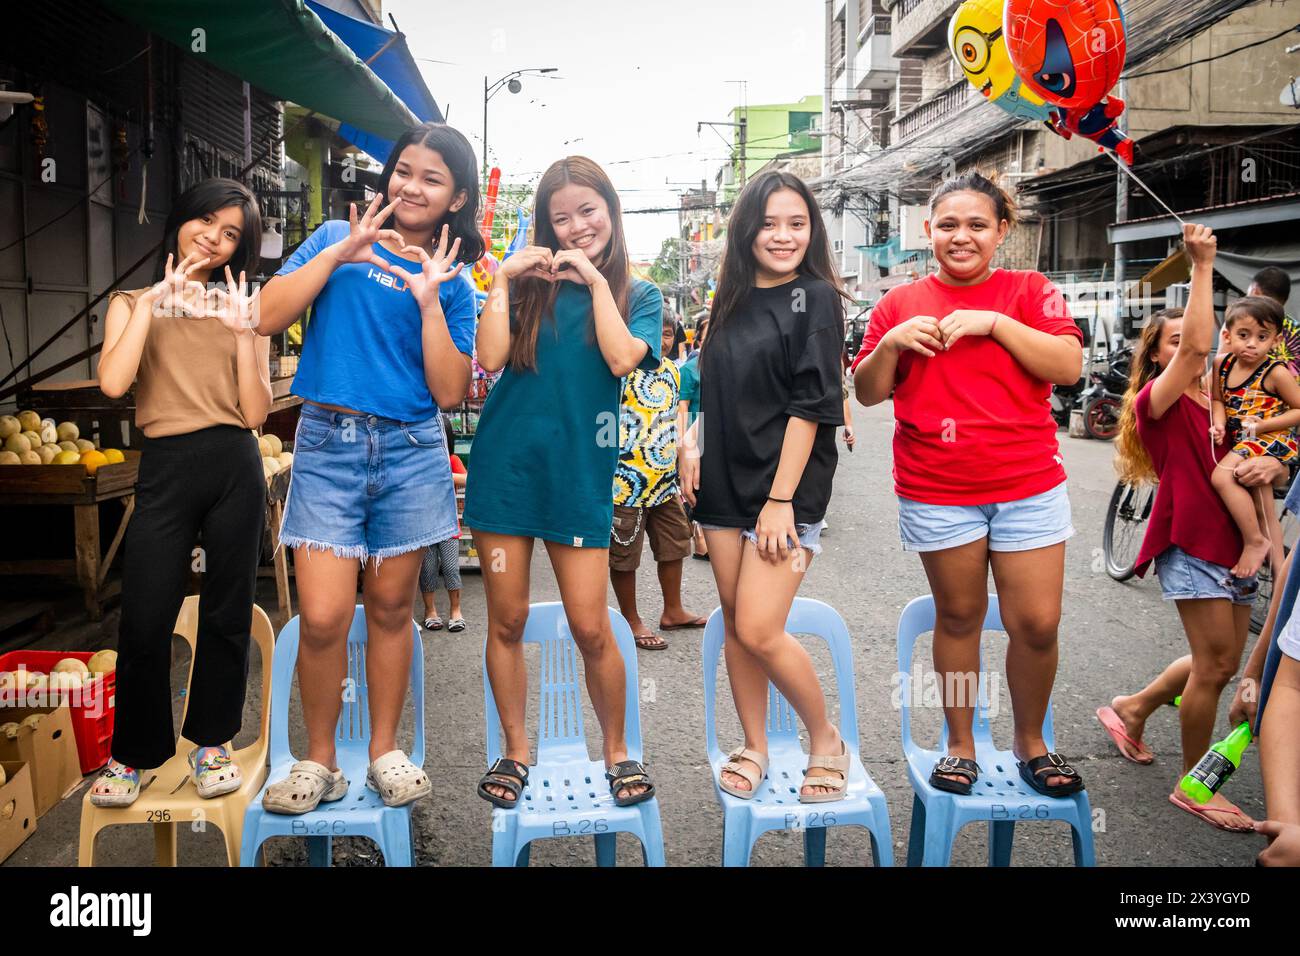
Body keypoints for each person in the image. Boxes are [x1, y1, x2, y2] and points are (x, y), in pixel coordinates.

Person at [253, 122, 481, 812]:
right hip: (328, 446)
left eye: (431, 178)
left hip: (411, 451)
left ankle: (385, 750)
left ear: (456, 198)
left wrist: (428, 299)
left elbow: (447, 391)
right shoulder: (331, 237)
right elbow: (265, 315)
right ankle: (318, 761)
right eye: (403, 169)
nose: (411, 185)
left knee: (389, 609)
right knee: (321, 616)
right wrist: (342, 254)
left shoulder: (454, 283)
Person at [852, 170, 1086, 799]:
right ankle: (960, 743)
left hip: (1029, 484)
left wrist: (993, 323)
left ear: (1002, 231)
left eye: (978, 224)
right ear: (928, 231)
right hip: (937, 488)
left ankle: (1031, 742)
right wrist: (893, 344)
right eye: (948, 225)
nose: (962, 237)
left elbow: (1068, 366)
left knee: (1036, 623)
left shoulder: (1030, 290)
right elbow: (868, 392)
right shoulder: (897, 305)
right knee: (959, 615)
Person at [464, 156, 664, 810]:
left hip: (580, 474)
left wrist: (595, 282)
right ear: (544, 226)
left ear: (611, 209)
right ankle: (516, 749)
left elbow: (618, 357)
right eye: (561, 217)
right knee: (508, 618)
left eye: (588, 210)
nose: (577, 226)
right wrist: (501, 281)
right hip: (505, 472)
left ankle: (616, 750)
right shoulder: (526, 288)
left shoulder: (641, 294)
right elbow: (489, 358)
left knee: (590, 625)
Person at [91, 178, 270, 806]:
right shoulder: (130, 300)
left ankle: (213, 741)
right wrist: (150, 306)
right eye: (207, 224)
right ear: (183, 219)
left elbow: (255, 413)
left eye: (231, 236)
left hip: (233, 465)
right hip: (165, 466)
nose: (215, 241)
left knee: (227, 609)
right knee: (144, 613)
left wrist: (246, 334)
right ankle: (132, 753)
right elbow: (114, 384)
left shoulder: (245, 304)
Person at [680, 170, 851, 802]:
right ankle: (753, 743)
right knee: (734, 623)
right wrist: (690, 440)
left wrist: (781, 501)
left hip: (787, 486)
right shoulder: (727, 299)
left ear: (812, 230)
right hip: (722, 479)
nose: (783, 236)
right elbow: (716, 387)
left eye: (797, 223)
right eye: (770, 223)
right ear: (746, 227)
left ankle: (825, 737)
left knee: (758, 627)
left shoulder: (819, 298)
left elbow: (812, 405)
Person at [1110, 223, 1287, 831]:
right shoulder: (1154, 404)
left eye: (1198, 340)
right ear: (1158, 355)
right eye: (1178, 342)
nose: (1196, 347)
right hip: (1192, 545)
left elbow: (1261, 461)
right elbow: (1193, 350)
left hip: (1236, 546)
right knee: (1214, 667)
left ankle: (1134, 707)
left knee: (1220, 661)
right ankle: (1195, 782)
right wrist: (1202, 265)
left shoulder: (1225, 402)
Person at [608, 306, 707, 651]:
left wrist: (687, 460)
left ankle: (673, 609)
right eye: (654, 332)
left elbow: (682, 421)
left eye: (667, 334)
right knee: (624, 554)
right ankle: (631, 619)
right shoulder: (618, 369)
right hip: (624, 485)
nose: (660, 340)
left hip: (664, 484)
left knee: (675, 544)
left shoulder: (674, 373)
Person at [1209, 296, 1300, 577]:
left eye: (1262, 337)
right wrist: (1220, 424)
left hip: (1272, 439)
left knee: (1221, 476)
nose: (1252, 344)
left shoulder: (1276, 372)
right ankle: (1277, 583)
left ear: (1275, 341)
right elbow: (1217, 399)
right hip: (1245, 440)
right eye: (1244, 335)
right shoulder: (1221, 364)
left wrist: (1262, 426)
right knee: (1264, 512)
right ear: (1227, 335)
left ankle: (1254, 542)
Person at [420, 416, 468, 633]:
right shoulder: (420, 460)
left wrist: (443, 476)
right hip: (424, 529)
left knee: (450, 568)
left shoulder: (451, 460)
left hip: (448, 526)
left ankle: (455, 610)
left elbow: (467, 479)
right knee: (427, 571)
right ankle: (430, 611)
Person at [677, 316, 708, 560]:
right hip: (696, 433)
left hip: (718, 432)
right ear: (698, 338)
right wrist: (682, 441)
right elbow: (683, 405)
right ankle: (698, 532)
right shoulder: (689, 369)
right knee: (695, 486)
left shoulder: (730, 364)